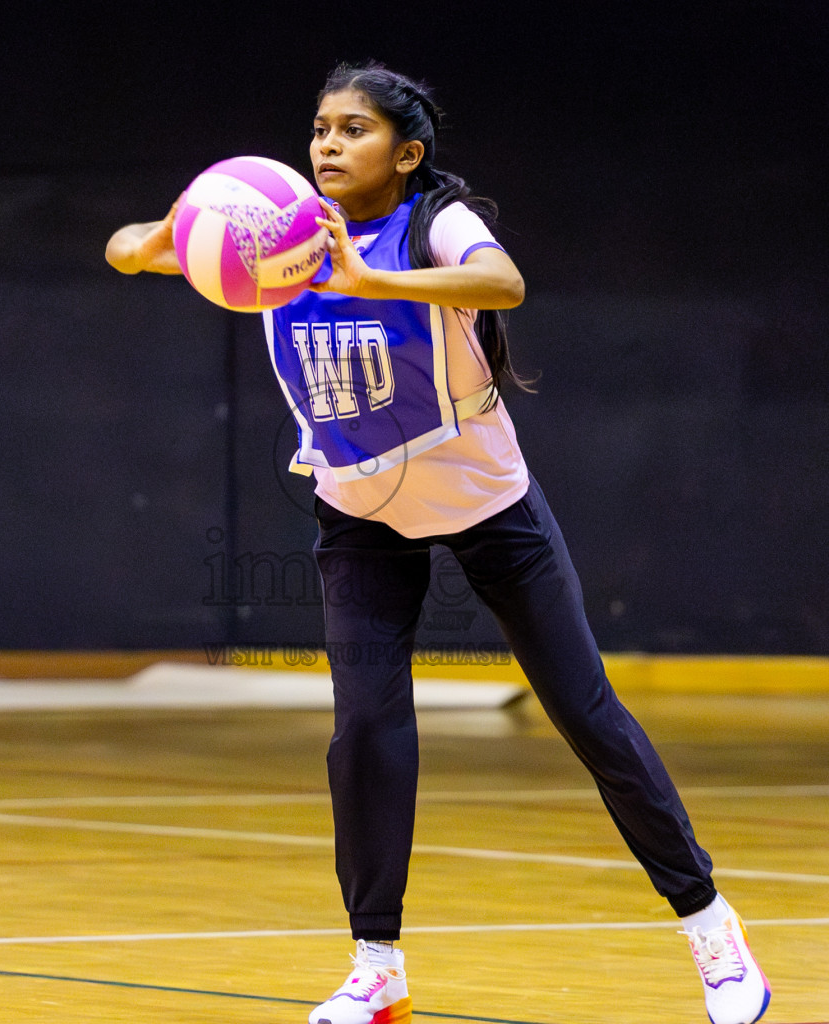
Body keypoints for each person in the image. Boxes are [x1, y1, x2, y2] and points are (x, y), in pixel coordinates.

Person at [106, 62, 769, 1024]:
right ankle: (376, 966)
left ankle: (710, 925)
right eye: (321, 128)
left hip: (491, 506)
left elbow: (506, 280)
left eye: (354, 130)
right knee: (365, 731)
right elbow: (125, 251)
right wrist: (170, 234)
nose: (329, 145)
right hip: (360, 514)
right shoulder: (275, 239)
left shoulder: (433, 224)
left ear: (406, 154)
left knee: (587, 715)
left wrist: (372, 278)